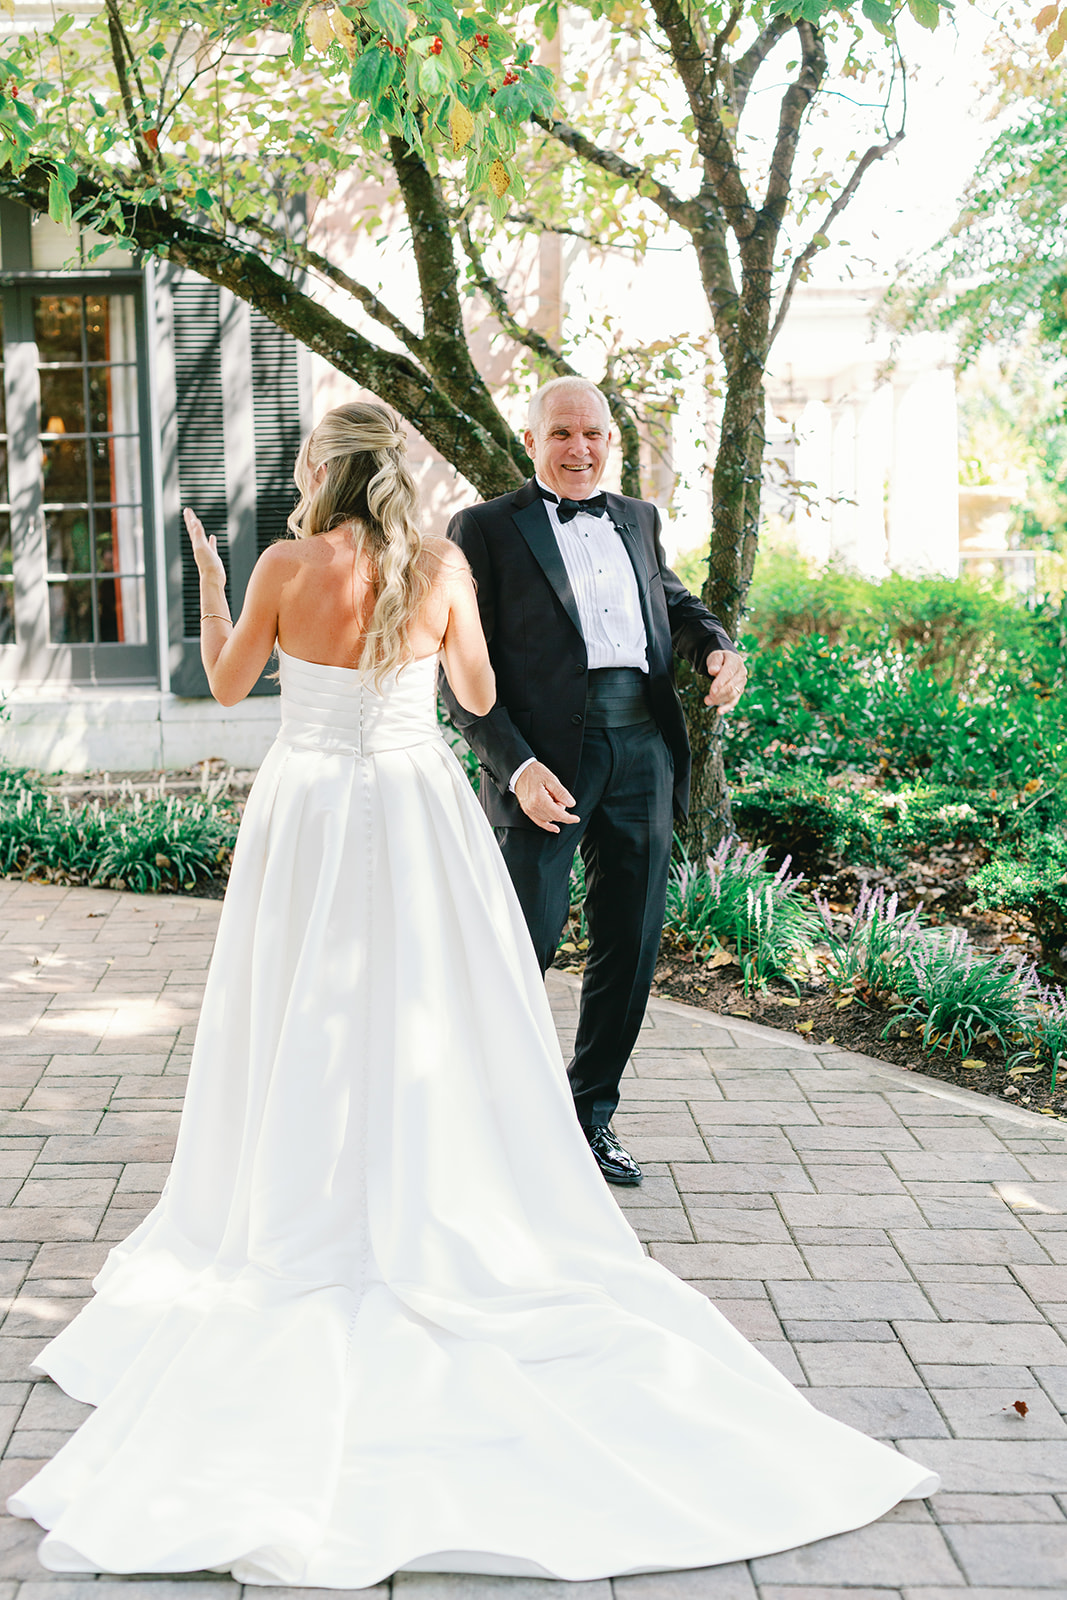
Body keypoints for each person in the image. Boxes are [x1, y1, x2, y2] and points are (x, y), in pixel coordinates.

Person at [8, 401, 936, 1583]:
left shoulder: (286, 566)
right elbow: (476, 683)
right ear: (392, 475)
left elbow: (229, 688)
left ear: (316, 475)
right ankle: (448, 1174)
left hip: (306, 813)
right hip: (412, 804)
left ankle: (303, 1188)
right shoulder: (441, 563)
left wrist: (209, 587)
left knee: (301, 1007)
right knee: (428, 1008)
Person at [441, 376, 747, 1185]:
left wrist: (715, 645)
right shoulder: (481, 529)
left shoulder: (637, 519)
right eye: (562, 434)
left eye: (594, 435)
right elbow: (454, 668)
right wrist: (516, 766)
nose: (579, 449)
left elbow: (676, 606)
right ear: (532, 438)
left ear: (612, 440)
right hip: (543, 765)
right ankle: (484, 1124)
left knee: (630, 945)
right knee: (519, 948)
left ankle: (588, 1118)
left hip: (640, 750)